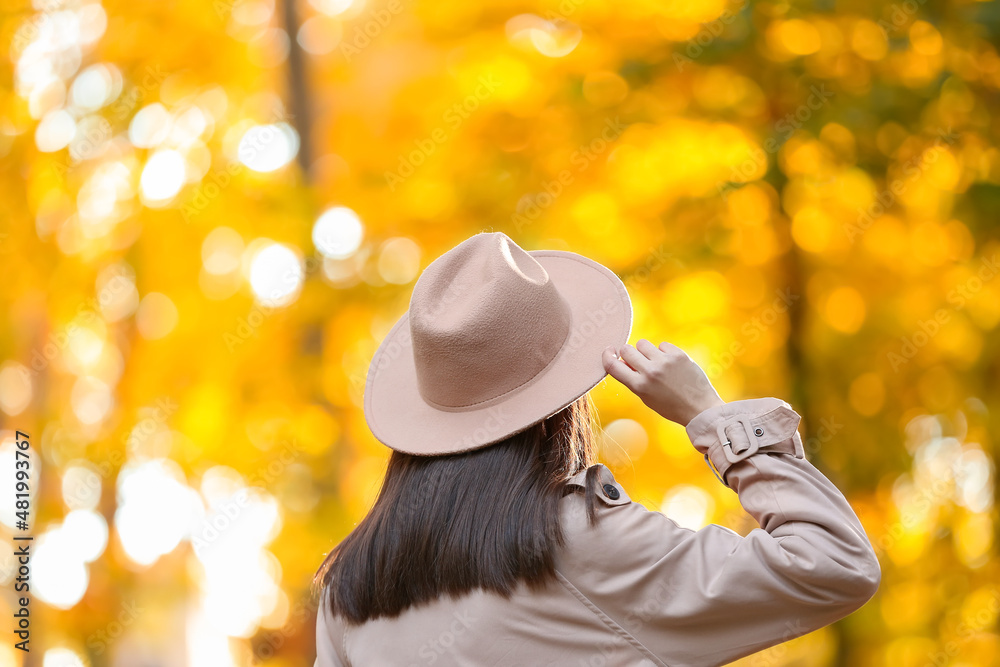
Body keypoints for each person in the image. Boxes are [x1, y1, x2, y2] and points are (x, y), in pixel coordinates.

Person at [312, 231, 881, 666]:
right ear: (561, 406)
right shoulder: (582, 543)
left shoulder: (352, 588)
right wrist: (710, 416)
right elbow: (833, 565)